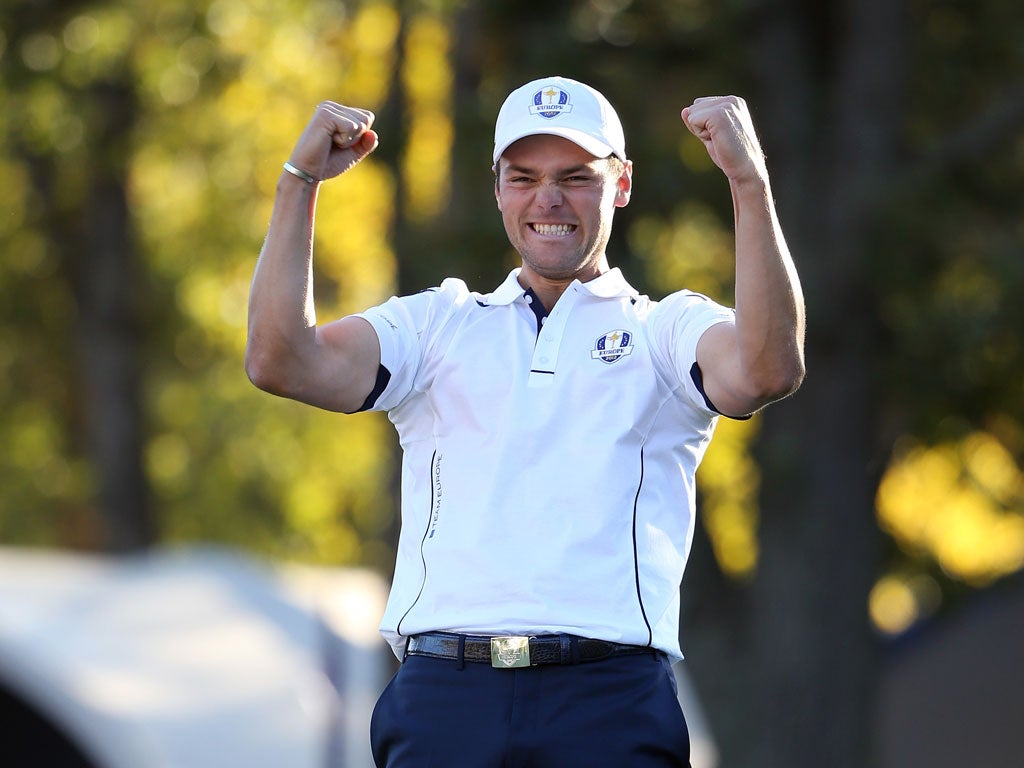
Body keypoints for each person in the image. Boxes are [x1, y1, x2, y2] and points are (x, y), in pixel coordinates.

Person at [246, 75, 805, 767]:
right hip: (447, 698)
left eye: (576, 176)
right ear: (498, 189)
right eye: (524, 177)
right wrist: (299, 181)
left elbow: (767, 369)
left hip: (607, 699)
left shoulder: (666, 328)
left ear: (621, 184)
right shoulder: (437, 323)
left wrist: (749, 182)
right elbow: (280, 361)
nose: (548, 198)